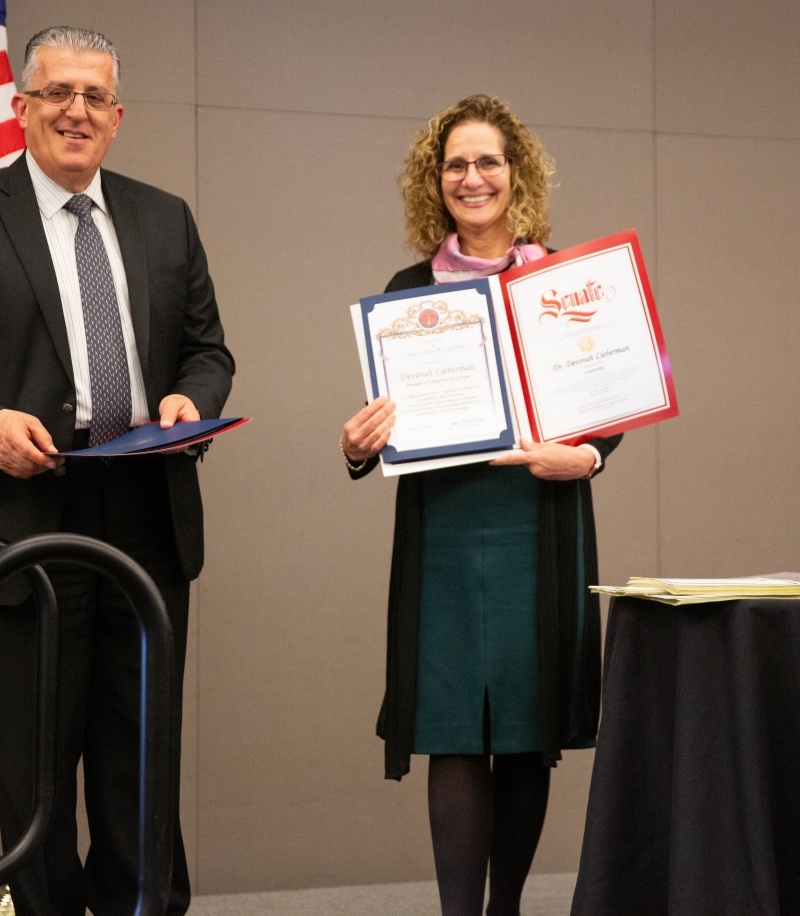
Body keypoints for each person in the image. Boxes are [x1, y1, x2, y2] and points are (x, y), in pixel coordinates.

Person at [0, 26, 234, 916]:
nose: (77, 111)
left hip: (147, 519)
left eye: (95, 97)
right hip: (20, 525)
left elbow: (205, 351)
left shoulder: (164, 217)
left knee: (140, 759)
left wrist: (190, 399)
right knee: (36, 771)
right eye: (58, 93)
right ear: (23, 105)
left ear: (117, 117)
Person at [340, 94, 621, 916]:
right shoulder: (406, 289)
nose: (473, 177)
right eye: (456, 163)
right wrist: (359, 448)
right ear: (436, 181)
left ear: (517, 174)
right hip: (448, 529)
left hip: (542, 519)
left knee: (527, 732)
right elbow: (388, 428)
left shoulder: (563, 282)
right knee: (456, 728)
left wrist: (591, 453)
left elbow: (607, 403)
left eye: (489, 161)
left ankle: (508, 911)